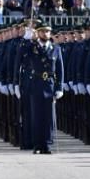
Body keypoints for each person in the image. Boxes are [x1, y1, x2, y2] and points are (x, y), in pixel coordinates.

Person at [21, 22, 65, 154]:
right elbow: (20, 55)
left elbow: (60, 69)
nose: (45, 34)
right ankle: (37, 144)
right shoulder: (31, 47)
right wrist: (26, 38)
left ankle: (47, 143)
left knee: (49, 117)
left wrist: (59, 87)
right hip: (36, 84)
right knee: (36, 116)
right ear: (38, 33)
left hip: (50, 85)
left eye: (47, 31)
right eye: (42, 31)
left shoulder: (55, 48)